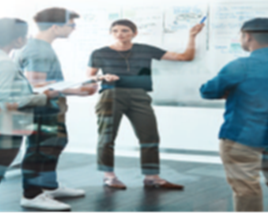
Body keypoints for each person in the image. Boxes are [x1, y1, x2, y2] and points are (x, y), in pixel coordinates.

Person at [200, 18, 268, 213]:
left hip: (243, 136)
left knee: (246, 187)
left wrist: (232, 91)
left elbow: (208, 91)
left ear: (247, 36)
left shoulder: (241, 66)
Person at [87, 19, 204, 189]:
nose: (120, 34)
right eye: (115, 30)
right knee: (107, 137)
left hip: (139, 95)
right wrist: (101, 77)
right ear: (111, 33)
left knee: (150, 136)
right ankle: (109, 176)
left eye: (125, 30)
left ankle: (152, 177)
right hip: (111, 95)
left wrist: (192, 36)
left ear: (134, 33)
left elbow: (185, 57)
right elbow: (89, 76)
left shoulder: (145, 50)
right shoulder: (99, 53)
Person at [0, 18, 60, 212]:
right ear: (17, 40)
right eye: (26, 35)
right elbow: (2, 101)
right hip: (0, 128)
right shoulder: (3, 63)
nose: (28, 38)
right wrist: (42, 97)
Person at [13, 7, 97, 211]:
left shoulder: (39, 46)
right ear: (55, 27)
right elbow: (37, 86)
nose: (73, 29)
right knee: (41, 149)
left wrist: (75, 87)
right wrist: (78, 91)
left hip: (49, 107)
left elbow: (44, 82)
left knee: (56, 142)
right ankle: (31, 194)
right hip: (41, 109)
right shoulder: (38, 49)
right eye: (71, 25)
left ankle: (48, 186)